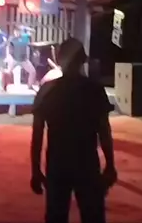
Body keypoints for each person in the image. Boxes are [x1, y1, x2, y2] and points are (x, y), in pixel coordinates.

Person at [30, 38, 117, 223]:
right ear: (82, 60)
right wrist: (110, 165)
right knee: (92, 215)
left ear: (59, 59)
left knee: (56, 215)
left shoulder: (47, 90)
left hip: (57, 164)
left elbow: (37, 134)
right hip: (87, 163)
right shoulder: (94, 90)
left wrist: (36, 170)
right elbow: (104, 130)